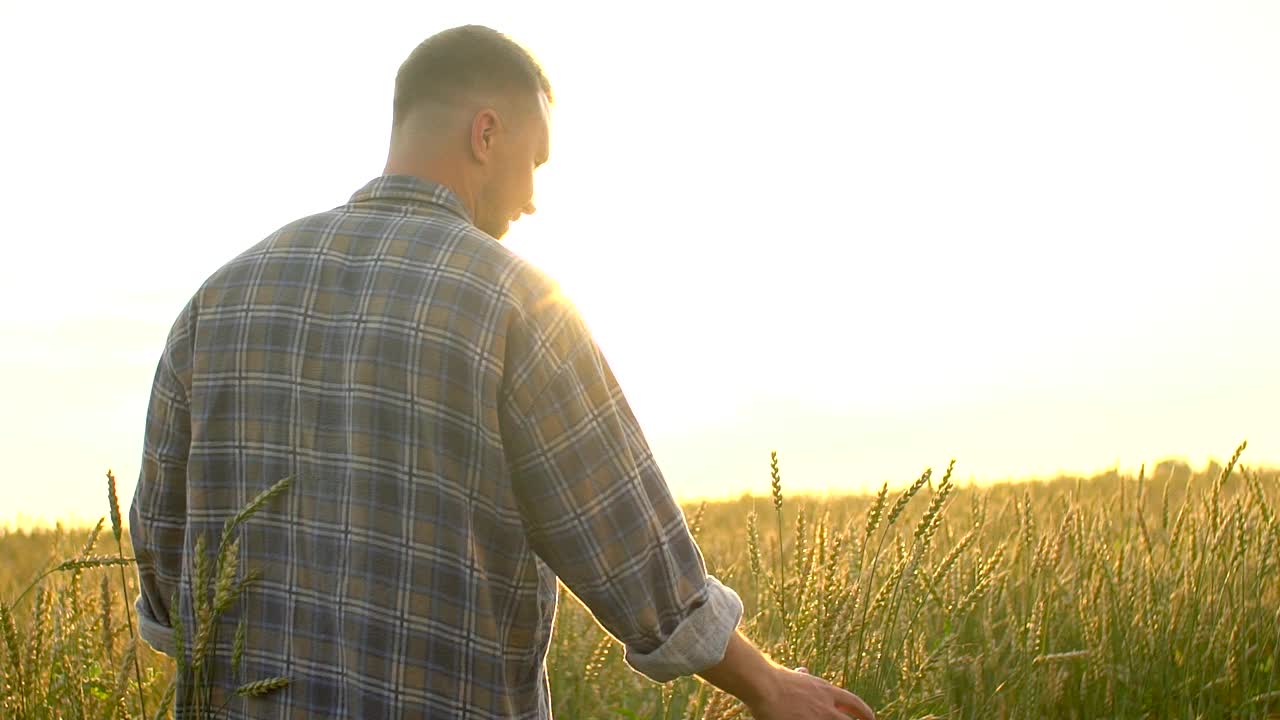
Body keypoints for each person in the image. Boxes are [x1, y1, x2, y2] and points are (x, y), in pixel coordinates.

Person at [128, 24, 875, 720]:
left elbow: (164, 570)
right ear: (486, 133)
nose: (532, 199)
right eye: (534, 161)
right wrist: (768, 684)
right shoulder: (515, 302)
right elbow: (624, 536)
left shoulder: (219, 298)